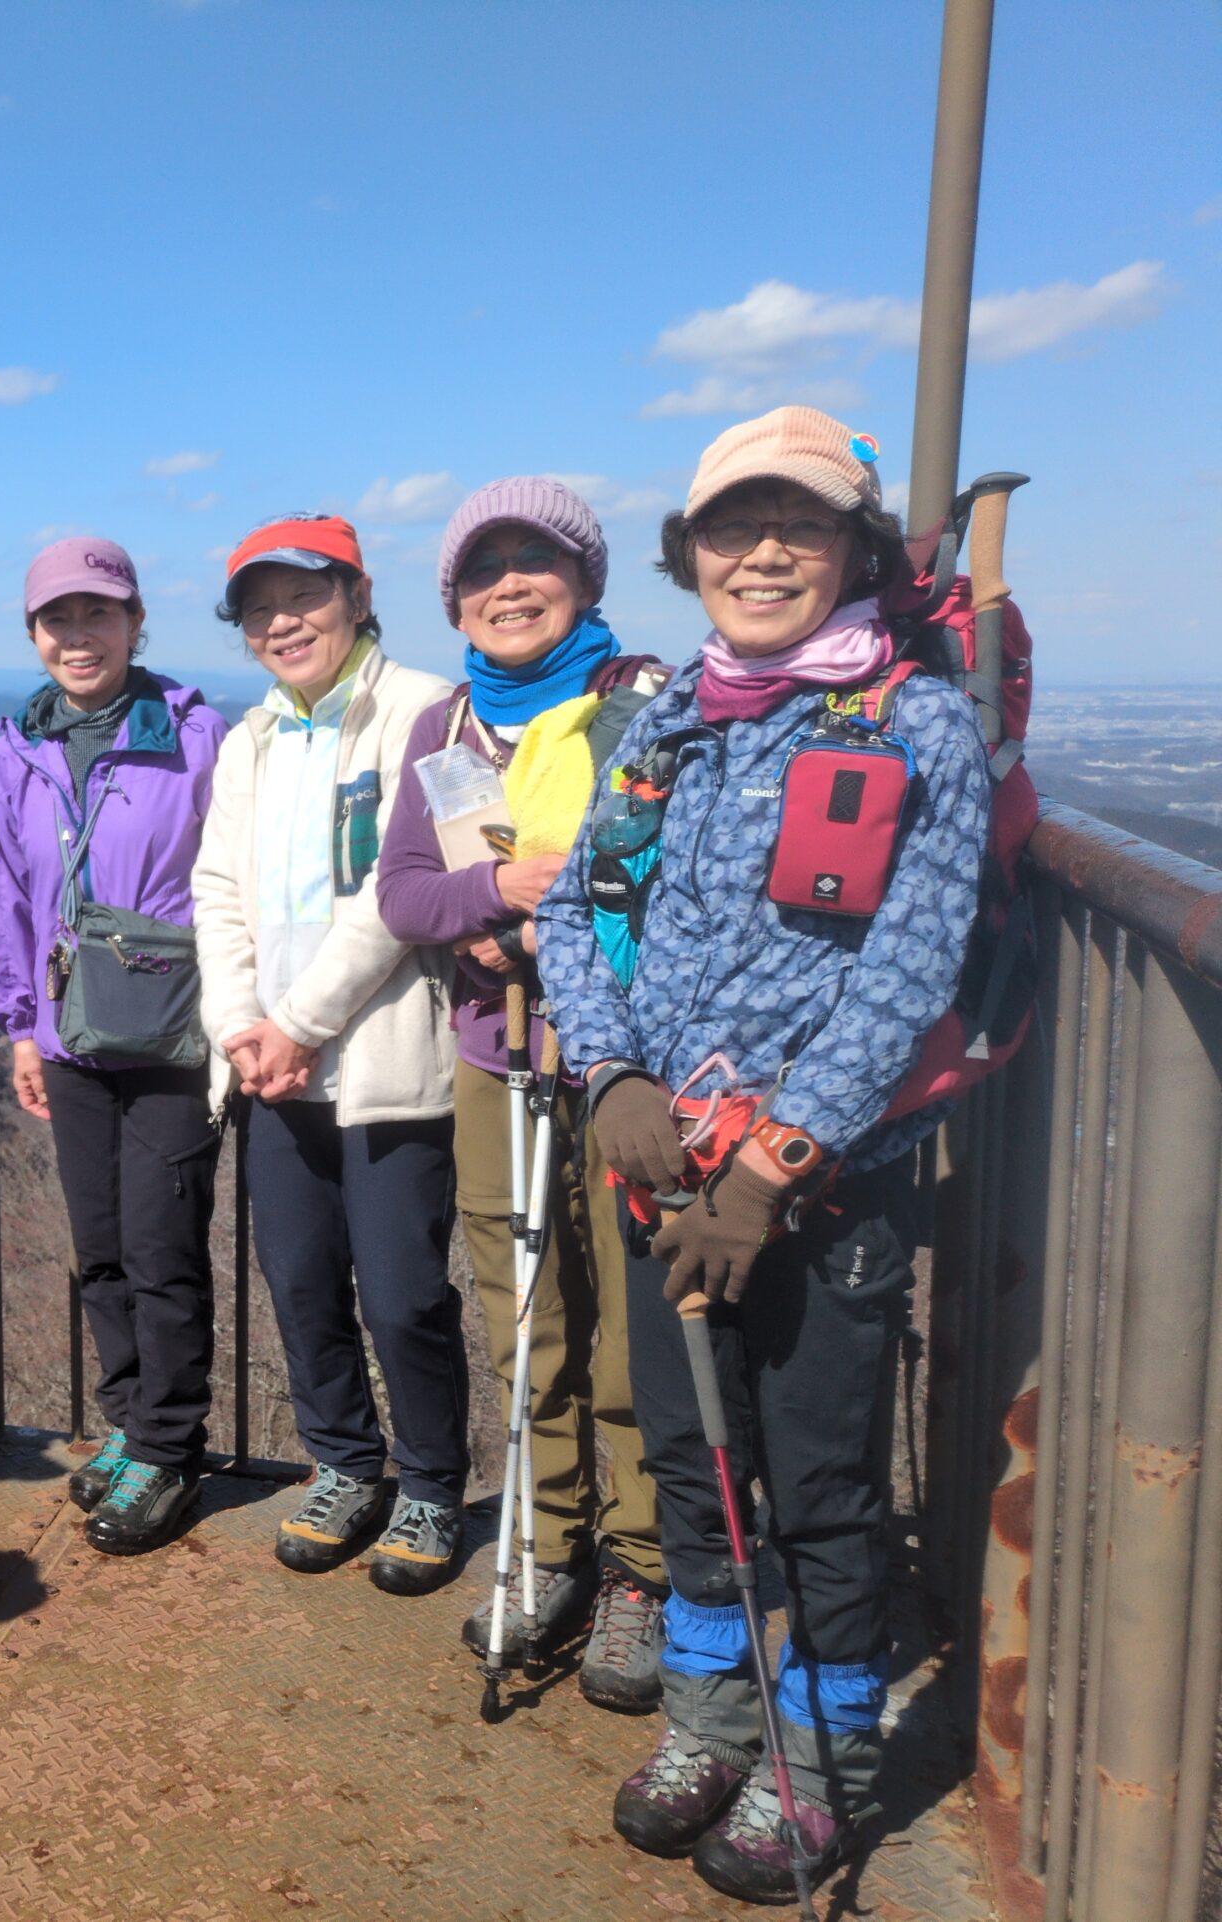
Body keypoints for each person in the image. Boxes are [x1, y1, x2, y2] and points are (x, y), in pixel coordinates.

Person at [535, 407, 987, 1905]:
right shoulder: (671, 720)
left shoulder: (916, 724)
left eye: (801, 524)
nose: (766, 552)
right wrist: (609, 1070)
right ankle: (712, 1719)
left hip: (822, 1193)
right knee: (688, 1458)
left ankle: (824, 1758)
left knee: (822, 1488)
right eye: (735, 526)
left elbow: (909, 967)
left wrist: (774, 1163)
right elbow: (574, 909)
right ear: (693, 556)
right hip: (662, 1172)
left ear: (855, 550)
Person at [376, 479, 670, 1713]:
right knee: (525, 1315)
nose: (508, 584)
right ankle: (552, 1542)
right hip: (494, 1057)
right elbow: (405, 894)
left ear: (586, 578)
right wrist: (501, 896)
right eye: (481, 566)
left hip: (624, 1068)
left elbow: (678, 880)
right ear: (454, 599)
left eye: (534, 559)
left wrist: (560, 917)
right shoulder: (444, 728)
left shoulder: (645, 704)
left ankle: (644, 1568)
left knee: (633, 1327)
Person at [190, 513, 467, 1592]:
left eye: (303, 595)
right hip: (270, 1066)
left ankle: (431, 1482)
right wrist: (240, 1027)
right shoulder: (250, 737)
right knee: (301, 1282)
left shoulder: (427, 711)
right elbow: (217, 890)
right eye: (259, 608)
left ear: (357, 597)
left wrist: (297, 1024)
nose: (281, 622)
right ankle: (344, 1464)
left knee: (402, 1293)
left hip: (386, 1061)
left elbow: (406, 894)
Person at [0, 537, 226, 1555]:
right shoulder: (14, 753)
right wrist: (18, 1027)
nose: (78, 636)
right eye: (58, 619)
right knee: (102, 1251)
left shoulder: (196, 734)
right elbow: (5, 895)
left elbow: (231, 878)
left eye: (99, 614)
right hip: (68, 1033)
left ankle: (170, 1448)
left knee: (163, 1249)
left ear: (134, 623)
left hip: (171, 1031)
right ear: (34, 633)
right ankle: (130, 1421)